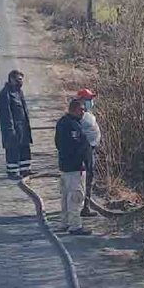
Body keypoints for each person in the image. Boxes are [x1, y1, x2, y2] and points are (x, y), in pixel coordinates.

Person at [55, 98, 92, 236]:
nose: (84, 112)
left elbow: (58, 144)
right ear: (74, 109)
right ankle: (75, 226)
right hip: (75, 168)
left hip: (65, 167)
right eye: (82, 109)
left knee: (65, 197)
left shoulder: (62, 122)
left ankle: (64, 223)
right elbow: (78, 147)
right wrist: (83, 161)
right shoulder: (72, 125)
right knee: (76, 197)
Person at [0, 70, 33, 179]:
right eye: (18, 79)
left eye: (21, 80)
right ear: (12, 79)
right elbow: (6, 115)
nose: (20, 82)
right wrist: (10, 130)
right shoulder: (5, 93)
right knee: (12, 149)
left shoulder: (19, 92)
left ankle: (25, 170)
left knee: (24, 149)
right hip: (13, 128)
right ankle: (12, 172)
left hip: (23, 127)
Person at [76, 88, 101, 218]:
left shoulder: (87, 114)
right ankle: (80, 208)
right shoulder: (78, 115)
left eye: (91, 99)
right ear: (80, 100)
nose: (91, 102)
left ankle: (85, 206)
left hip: (91, 149)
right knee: (83, 179)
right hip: (85, 151)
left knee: (89, 179)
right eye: (88, 99)